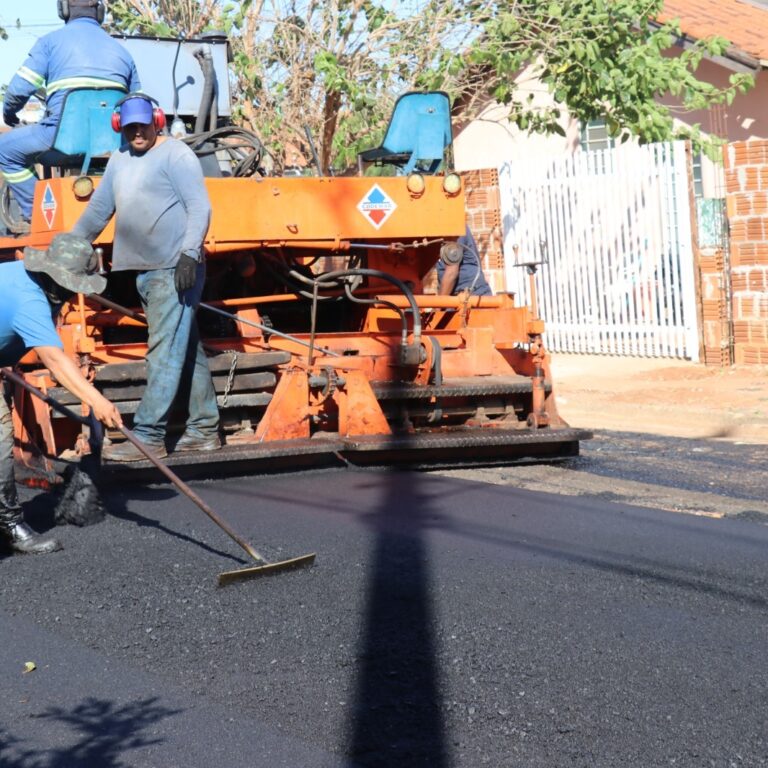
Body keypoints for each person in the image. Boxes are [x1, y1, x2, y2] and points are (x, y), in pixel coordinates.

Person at [72, 93, 220, 462]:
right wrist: (69, 248)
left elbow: (200, 206)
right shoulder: (120, 161)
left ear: (157, 121)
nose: (139, 132)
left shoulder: (176, 155)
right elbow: (98, 212)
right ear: (121, 126)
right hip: (144, 271)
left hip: (174, 267)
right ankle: (204, 428)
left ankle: (149, 435)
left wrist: (189, 253)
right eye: (132, 126)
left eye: (144, 125)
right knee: (182, 349)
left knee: (163, 352)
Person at [0, 233, 123, 555]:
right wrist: (98, 401)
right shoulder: (30, 300)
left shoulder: (26, 279)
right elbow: (54, 359)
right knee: (0, 440)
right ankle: (10, 524)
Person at [0, 0, 140, 231]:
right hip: (113, 142)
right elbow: (137, 103)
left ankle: (38, 217)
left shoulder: (50, 43)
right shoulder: (122, 51)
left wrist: (10, 115)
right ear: (101, 13)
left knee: (4, 150)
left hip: (59, 139)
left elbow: (17, 91)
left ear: (63, 10)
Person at [437, 224, 493, 297]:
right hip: (457, 296)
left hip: (472, 295)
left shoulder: (453, 225)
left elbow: (451, 273)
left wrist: (438, 305)